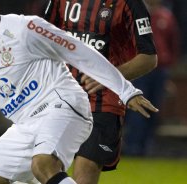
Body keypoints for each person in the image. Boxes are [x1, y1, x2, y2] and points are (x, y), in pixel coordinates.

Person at [0, 0, 158, 184]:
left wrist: (125, 90)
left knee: (43, 164)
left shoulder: (25, 27)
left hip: (63, 104)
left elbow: (79, 51)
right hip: (25, 124)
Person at [44, 0, 157, 183]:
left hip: (103, 103)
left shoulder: (130, 4)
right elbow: (42, 38)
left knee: (86, 169)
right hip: (60, 98)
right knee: (42, 167)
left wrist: (107, 75)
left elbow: (149, 58)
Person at [123, 0, 180, 156]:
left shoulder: (166, 16)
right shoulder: (134, 12)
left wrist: (170, 75)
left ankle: (146, 146)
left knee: (155, 109)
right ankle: (133, 147)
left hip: (161, 71)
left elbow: (173, 45)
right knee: (138, 109)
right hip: (140, 69)